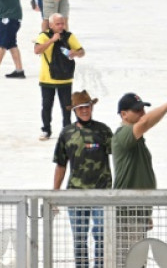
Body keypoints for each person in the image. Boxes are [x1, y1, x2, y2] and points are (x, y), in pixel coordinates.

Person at [112, 84, 167, 268]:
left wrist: (146, 212)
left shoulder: (136, 141)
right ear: (124, 114)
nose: (142, 113)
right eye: (137, 110)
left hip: (137, 211)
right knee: (130, 262)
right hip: (127, 211)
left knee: (137, 261)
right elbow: (144, 124)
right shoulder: (122, 135)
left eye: (143, 109)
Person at [52, 90, 113, 268]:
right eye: (80, 108)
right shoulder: (66, 133)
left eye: (87, 106)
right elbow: (61, 164)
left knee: (101, 234)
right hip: (76, 193)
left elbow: (119, 155)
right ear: (75, 111)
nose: (85, 110)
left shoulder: (103, 130)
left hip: (102, 192)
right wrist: (55, 193)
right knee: (79, 237)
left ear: (92, 107)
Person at [34, 14, 85, 141]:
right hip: (47, 79)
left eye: (62, 23)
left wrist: (76, 53)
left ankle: (67, 130)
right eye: (58, 24)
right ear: (51, 25)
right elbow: (37, 50)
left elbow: (82, 51)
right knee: (46, 106)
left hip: (65, 78)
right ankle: (46, 130)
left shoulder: (69, 36)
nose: (61, 26)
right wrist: (52, 40)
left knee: (66, 106)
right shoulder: (44, 36)